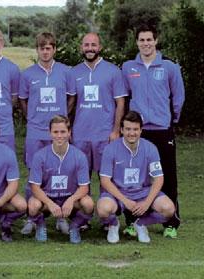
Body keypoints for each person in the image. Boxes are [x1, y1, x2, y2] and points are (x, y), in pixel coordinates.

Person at [121, 25, 184, 238]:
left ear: (156, 41)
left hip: (162, 130)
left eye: (149, 39)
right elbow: (126, 97)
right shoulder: (128, 67)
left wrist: (170, 120)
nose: (146, 44)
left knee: (167, 175)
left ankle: (171, 223)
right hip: (137, 132)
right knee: (136, 177)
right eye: (142, 40)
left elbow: (178, 98)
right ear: (136, 42)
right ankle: (134, 221)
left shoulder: (169, 67)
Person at [19, 32, 71, 235]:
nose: (45, 51)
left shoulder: (65, 72)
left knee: (61, 171)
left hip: (58, 132)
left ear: (54, 49)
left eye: (49, 47)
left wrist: (62, 118)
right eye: (42, 48)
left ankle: (61, 217)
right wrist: (31, 118)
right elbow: (23, 100)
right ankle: (33, 217)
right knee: (35, 173)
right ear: (37, 50)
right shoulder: (28, 74)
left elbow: (71, 98)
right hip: (35, 131)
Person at [97, 111, 176, 243]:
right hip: (119, 193)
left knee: (169, 209)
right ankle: (113, 224)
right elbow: (105, 180)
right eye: (128, 129)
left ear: (141, 130)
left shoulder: (151, 148)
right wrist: (125, 201)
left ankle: (141, 224)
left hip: (142, 192)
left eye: (135, 129)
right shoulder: (110, 149)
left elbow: (159, 178)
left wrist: (146, 203)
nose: (131, 133)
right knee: (103, 209)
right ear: (121, 130)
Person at [27, 115, 94, 244]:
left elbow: (84, 187)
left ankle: (75, 226)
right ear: (50, 133)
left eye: (63, 132)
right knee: (33, 205)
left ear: (69, 133)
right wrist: (50, 203)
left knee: (88, 204)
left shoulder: (79, 156)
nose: (59, 136)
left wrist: (71, 199)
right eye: (55, 132)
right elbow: (35, 187)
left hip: (70, 199)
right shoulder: (40, 156)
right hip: (48, 200)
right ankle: (41, 226)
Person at [67, 32, 126, 176]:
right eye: (86, 45)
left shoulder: (113, 71)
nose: (90, 48)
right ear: (81, 47)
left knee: (107, 178)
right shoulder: (73, 72)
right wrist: (66, 129)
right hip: (80, 135)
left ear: (100, 47)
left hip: (104, 135)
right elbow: (70, 104)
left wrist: (116, 131)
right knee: (80, 179)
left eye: (93, 45)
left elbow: (121, 103)